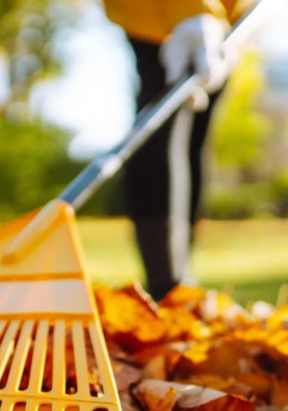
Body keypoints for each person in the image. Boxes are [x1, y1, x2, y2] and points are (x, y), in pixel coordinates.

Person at [102, 1, 254, 300]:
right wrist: (191, 9)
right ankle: (166, 284)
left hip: (232, 16)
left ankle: (180, 283)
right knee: (162, 123)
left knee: (198, 130)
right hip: (159, 15)